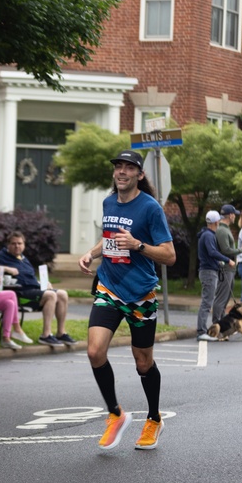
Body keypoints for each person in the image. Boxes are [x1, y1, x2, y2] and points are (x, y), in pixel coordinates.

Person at [78, 150, 175, 451]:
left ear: (139, 175)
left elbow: (170, 256)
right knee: (95, 351)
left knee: (142, 362)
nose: (121, 172)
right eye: (117, 167)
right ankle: (115, 414)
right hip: (109, 286)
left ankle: (154, 418)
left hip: (141, 294)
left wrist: (138, 245)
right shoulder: (109, 202)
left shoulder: (150, 209)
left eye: (128, 168)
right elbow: (108, 237)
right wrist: (91, 253)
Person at [0, 231, 76, 347]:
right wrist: (6, 269)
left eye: (19, 243)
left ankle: (61, 332)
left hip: (34, 290)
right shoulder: (1, 256)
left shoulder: (23, 258)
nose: (17, 246)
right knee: (51, 295)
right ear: (8, 245)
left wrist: (42, 283)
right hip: (20, 294)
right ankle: (46, 335)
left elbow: (28, 277)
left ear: (24, 245)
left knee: (62, 294)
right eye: (13, 243)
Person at [196, 211, 234, 341]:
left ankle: (202, 330)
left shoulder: (206, 235)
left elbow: (209, 254)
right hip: (208, 272)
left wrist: (219, 262)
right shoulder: (208, 236)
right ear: (216, 222)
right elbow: (212, 252)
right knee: (207, 302)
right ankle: (201, 332)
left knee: (207, 301)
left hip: (208, 270)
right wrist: (228, 260)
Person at [212, 204, 242, 325]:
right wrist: (241, 250)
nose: (235, 216)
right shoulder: (222, 230)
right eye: (234, 214)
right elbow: (226, 250)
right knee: (221, 298)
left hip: (229, 268)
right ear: (230, 215)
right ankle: (217, 324)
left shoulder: (224, 229)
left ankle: (222, 322)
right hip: (225, 268)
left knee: (225, 298)